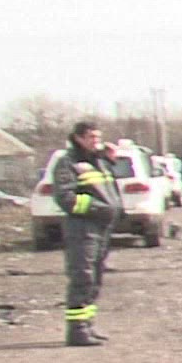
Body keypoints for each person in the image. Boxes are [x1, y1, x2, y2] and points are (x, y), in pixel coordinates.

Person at [51, 121, 121, 347]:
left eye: (98, 137)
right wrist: (98, 209)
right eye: (91, 137)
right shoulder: (68, 162)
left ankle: (87, 324)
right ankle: (77, 331)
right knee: (83, 277)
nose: (96, 141)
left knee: (95, 278)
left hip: (101, 228)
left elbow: (107, 190)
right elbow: (65, 197)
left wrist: (109, 159)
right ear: (78, 138)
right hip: (82, 228)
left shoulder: (98, 161)